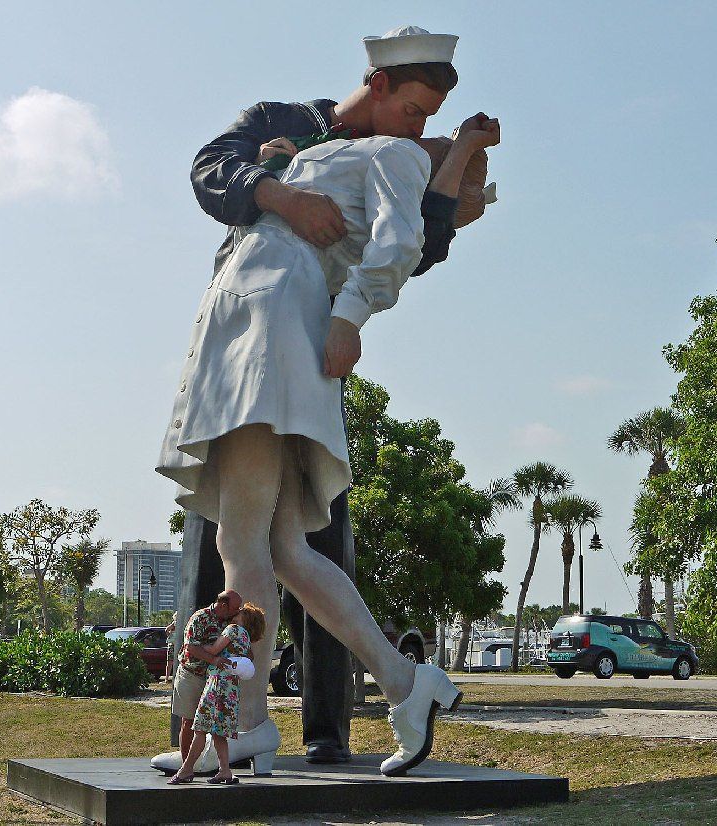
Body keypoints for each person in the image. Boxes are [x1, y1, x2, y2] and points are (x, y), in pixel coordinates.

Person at [154, 31, 499, 778]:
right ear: (377, 83)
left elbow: (404, 244)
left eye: (428, 120)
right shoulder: (317, 141)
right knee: (284, 549)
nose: (418, 126)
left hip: (272, 323)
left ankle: (245, 723)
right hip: (252, 321)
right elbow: (214, 169)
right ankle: (405, 682)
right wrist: (280, 172)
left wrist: (350, 317)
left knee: (241, 543)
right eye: (412, 109)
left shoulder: (397, 155)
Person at [169, 603, 267, 785]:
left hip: (217, 683)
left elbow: (214, 650)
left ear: (244, 619)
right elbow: (248, 658)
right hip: (231, 688)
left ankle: (186, 769)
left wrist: (196, 646)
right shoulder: (246, 638)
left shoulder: (233, 629)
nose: (237, 612)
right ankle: (224, 770)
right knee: (218, 732)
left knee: (200, 728)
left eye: (241, 612)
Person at [169, 590, 242, 769]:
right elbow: (191, 647)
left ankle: (218, 767)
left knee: (214, 725)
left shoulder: (231, 622)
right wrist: (214, 660)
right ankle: (187, 766)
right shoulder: (199, 618)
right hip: (191, 675)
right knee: (188, 721)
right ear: (223, 605)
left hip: (215, 679)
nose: (238, 611)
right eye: (235, 607)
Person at [162, 612, 176, 682]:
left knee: (170, 662)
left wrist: (169, 635)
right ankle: (167, 678)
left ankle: (167, 678)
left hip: (173, 644)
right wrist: (169, 635)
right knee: (171, 662)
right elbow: (166, 629)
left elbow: (166, 630)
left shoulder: (175, 624)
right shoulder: (175, 624)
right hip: (174, 644)